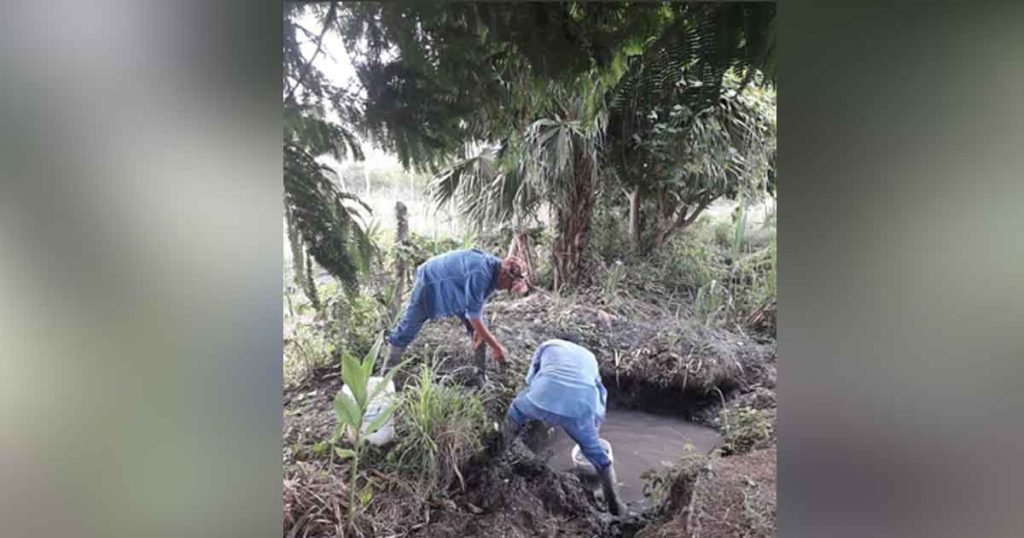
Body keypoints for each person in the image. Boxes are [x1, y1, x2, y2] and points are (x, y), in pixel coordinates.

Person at [501, 338, 624, 515]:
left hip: (541, 399)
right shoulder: (590, 357)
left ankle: (503, 452)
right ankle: (615, 506)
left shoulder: (547, 345)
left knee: (516, 411)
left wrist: (544, 407)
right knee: (603, 463)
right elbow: (599, 394)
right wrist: (593, 428)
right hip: (580, 410)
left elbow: (531, 379)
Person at [382, 248, 529, 383]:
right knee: (407, 328)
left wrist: (480, 331)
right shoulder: (480, 273)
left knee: (480, 330)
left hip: (458, 288)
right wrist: (496, 347)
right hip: (431, 281)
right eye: (509, 286)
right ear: (504, 275)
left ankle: (480, 377)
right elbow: (473, 316)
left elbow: (477, 305)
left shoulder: (494, 270)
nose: (506, 289)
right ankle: (385, 378)